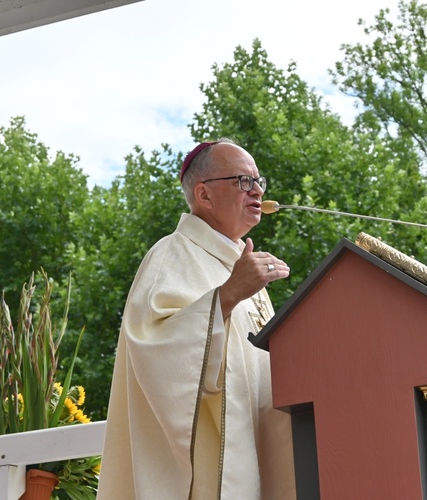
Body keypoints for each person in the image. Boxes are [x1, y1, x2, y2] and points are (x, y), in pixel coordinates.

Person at [98, 139, 297, 499]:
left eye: (258, 181)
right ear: (204, 195)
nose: (257, 191)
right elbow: (156, 357)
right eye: (243, 181)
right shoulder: (171, 256)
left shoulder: (244, 267)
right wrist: (228, 295)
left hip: (261, 449)